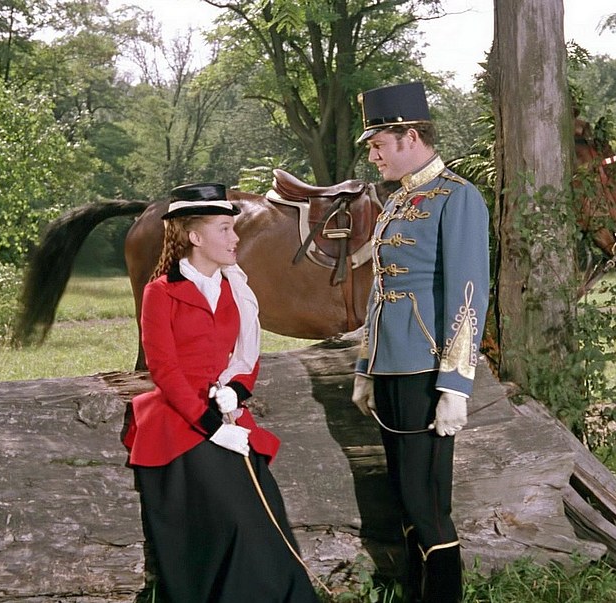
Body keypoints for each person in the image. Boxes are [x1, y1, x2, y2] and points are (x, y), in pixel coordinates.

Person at [121, 183, 319, 603]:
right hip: (179, 419)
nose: (235, 238)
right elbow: (164, 369)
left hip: (226, 410)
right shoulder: (161, 292)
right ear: (195, 237)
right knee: (234, 522)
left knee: (267, 516)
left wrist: (236, 391)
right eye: (225, 229)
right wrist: (212, 426)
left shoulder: (237, 288)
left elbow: (248, 357)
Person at [350, 82, 490, 602]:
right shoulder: (399, 199)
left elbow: (469, 294)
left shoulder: (458, 197)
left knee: (427, 502)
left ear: (410, 136)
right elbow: (380, 290)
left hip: (426, 370)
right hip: (390, 367)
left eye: (378, 145)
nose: (373, 155)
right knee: (406, 499)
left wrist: (456, 385)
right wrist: (365, 367)